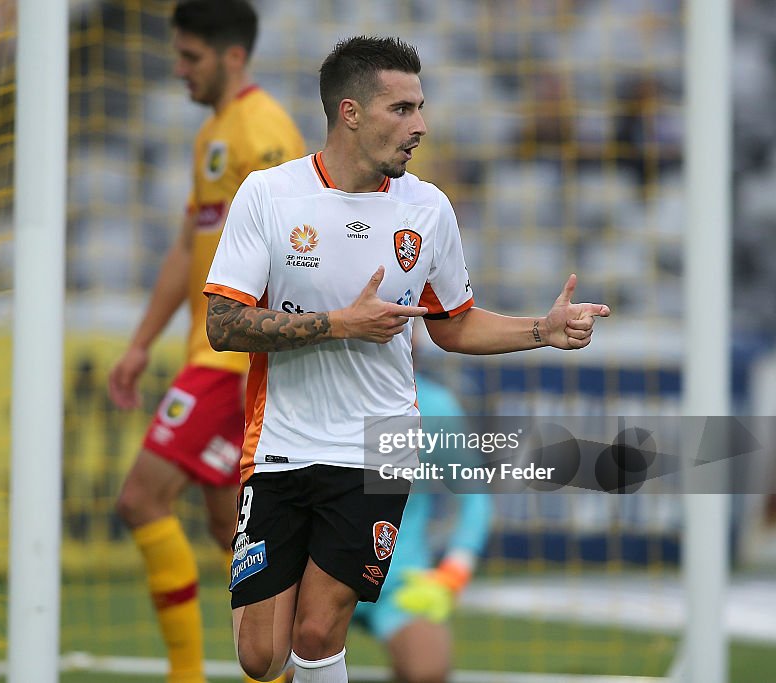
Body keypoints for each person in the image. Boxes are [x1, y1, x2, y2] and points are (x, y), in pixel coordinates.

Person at [202, 35, 609, 683]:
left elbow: (454, 326)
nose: (419, 125)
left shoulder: (427, 209)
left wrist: (543, 328)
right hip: (278, 442)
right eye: (402, 109)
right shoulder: (270, 196)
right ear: (350, 112)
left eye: (420, 107)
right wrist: (340, 323)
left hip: (378, 444)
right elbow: (222, 325)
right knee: (260, 656)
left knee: (316, 630)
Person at [107, 2, 304, 683]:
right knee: (233, 534)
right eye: (179, 54)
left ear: (233, 57)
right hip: (205, 353)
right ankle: (282, 675)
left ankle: (185, 675)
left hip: (230, 360)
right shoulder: (212, 135)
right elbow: (186, 250)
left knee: (140, 498)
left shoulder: (264, 128)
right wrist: (139, 345)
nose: (179, 68)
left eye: (191, 57)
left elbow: (296, 241)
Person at [354, 374, 492, 683]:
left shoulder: (436, 406)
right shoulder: (321, 396)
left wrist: (456, 570)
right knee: (287, 665)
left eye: (410, 324)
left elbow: (474, 496)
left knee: (428, 671)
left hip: (401, 582)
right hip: (320, 572)